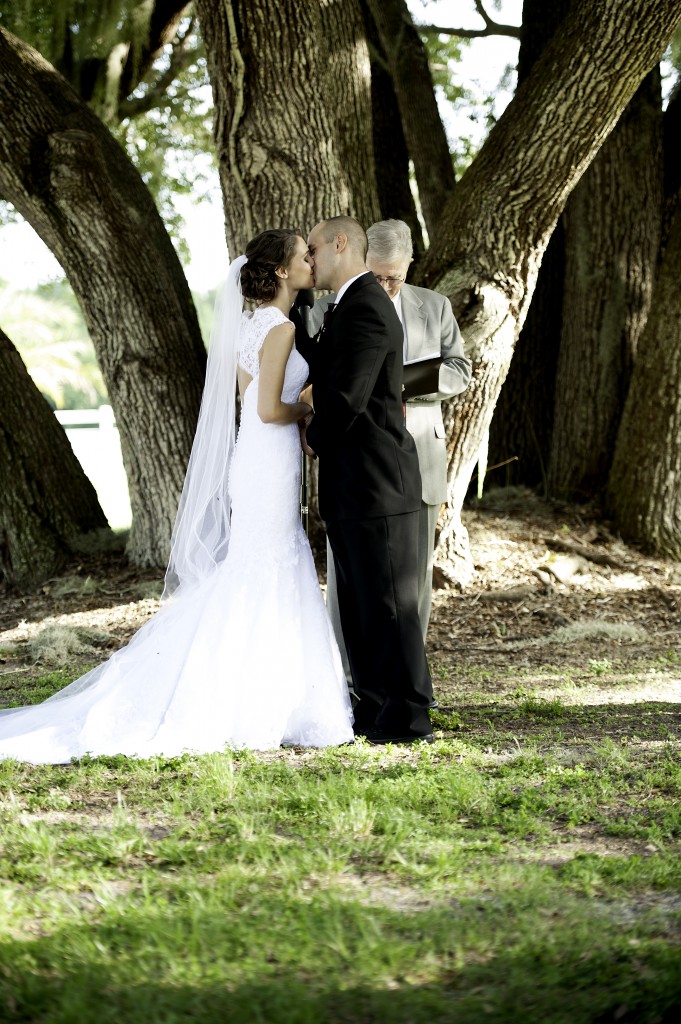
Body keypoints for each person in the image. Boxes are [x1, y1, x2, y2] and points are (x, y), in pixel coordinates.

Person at [0, 230, 354, 765]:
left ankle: (265, 696)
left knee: (258, 564)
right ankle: (262, 702)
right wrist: (310, 404)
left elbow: (244, 397)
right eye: (304, 255)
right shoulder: (278, 329)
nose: (312, 261)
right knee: (268, 564)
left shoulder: (253, 325)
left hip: (255, 459)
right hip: (268, 454)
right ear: (282, 271)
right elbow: (265, 410)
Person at [309, 219, 472, 689]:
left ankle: (407, 680)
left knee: (409, 584)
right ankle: (352, 679)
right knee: (350, 581)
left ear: (408, 267)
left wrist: (396, 382)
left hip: (418, 455)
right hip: (359, 469)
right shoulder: (329, 310)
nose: (383, 285)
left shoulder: (433, 306)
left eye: (393, 278)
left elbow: (460, 369)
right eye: (376, 275)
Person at [299, 215, 434, 744]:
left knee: (389, 608)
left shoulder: (366, 310)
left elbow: (346, 400)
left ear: (340, 244)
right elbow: (327, 367)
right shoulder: (345, 308)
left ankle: (407, 717)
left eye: (313, 249)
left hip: (378, 483)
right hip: (353, 485)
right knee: (360, 607)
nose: (309, 259)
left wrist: (313, 434)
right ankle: (375, 709)